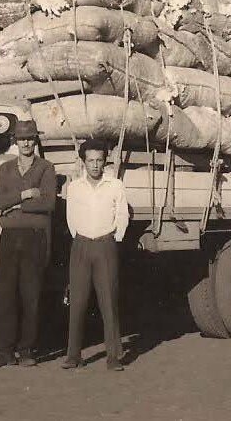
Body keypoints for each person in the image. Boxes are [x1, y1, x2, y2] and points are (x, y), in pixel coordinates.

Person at [0, 119, 57, 368]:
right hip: (9, 238)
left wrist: (14, 206)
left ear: (35, 141)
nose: (26, 143)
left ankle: (26, 350)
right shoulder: (5, 169)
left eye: (30, 138)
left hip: (34, 237)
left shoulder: (46, 168)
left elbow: (48, 203)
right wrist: (25, 195)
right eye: (22, 139)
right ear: (15, 141)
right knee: (5, 294)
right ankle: (3, 352)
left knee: (30, 294)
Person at [62, 139, 129, 372]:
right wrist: (81, 238)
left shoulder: (115, 185)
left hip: (105, 245)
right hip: (81, 246)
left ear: (105, 161)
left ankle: (114, 356)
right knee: (77, 302)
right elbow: (71, 218)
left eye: (99, 160)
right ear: (83, 162)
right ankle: (73, 356)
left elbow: (122, 215)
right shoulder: (74, 187)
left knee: (108, 301)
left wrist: (114, 238)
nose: (95, 165)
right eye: (90, 160)